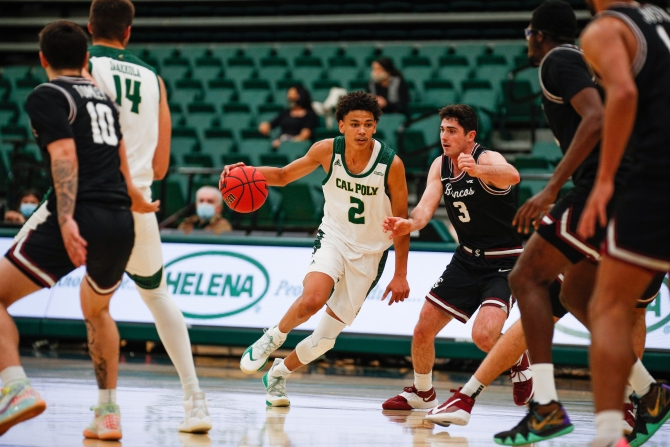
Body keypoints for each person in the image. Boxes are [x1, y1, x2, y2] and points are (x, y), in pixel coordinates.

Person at [495, 2, 665, 445]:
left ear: (538, 35)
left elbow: (597, 116)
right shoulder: (586, 57)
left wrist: (551, 187)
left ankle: (546, 406)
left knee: (526, 277)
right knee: (574, 292)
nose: (528, 41)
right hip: (629, 182)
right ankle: (650, 394)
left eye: (529, 33)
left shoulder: (559, 60)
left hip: (600, 186)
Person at [0, 20, 157, 439]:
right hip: (121, 219)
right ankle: (108, 414)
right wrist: (135, 198)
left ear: (42, 59)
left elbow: (65, 155)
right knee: (98, 310)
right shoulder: (103, 100)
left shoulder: (48, 94)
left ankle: (14, 386)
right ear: (86, 60)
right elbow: (122, 154)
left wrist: (67, 217)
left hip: (80, 212)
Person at [221, 91, 411, 407]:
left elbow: (402, 223)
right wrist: (247, 173)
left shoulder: (392, 165)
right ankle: (272, 337)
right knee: (312, 298)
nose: (361, 131)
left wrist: (400, 273)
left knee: (323, 341)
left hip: (370, 254)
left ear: (376, 127)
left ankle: (278, 374)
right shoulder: (326, 151)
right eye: (354, 124)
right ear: (341, 126)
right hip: (334, 237)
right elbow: (282, 176)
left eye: (367, 124)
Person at [381, 104, 531, 413]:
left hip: (503, 262)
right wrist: (411, 223)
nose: (444, 137)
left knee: (484, 335)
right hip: (465, 260)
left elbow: (512, 175)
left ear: (469, 136)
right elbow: (425, 206)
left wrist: (480, 171)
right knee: (423, 330)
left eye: (452, 131)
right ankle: (423, 393)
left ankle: (519, 360)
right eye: (442, 130)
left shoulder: (485, 158)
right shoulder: (441, 165)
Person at [576, 1, 670, 446]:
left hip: (657, 177)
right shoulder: (663, 19)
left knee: (608, 308)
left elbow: (624, 94)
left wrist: (606, 179)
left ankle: (609, 434)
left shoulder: (604, 29)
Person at [258, 85, 318, 149]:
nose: (290, 99)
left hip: (298, 147)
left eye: (294, 97)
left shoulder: (309, 114)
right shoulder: (285, 113)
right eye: (289, 97)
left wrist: (286, 142)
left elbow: (305, 135)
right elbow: (271, 124)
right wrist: (265, 126)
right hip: (281, 144)